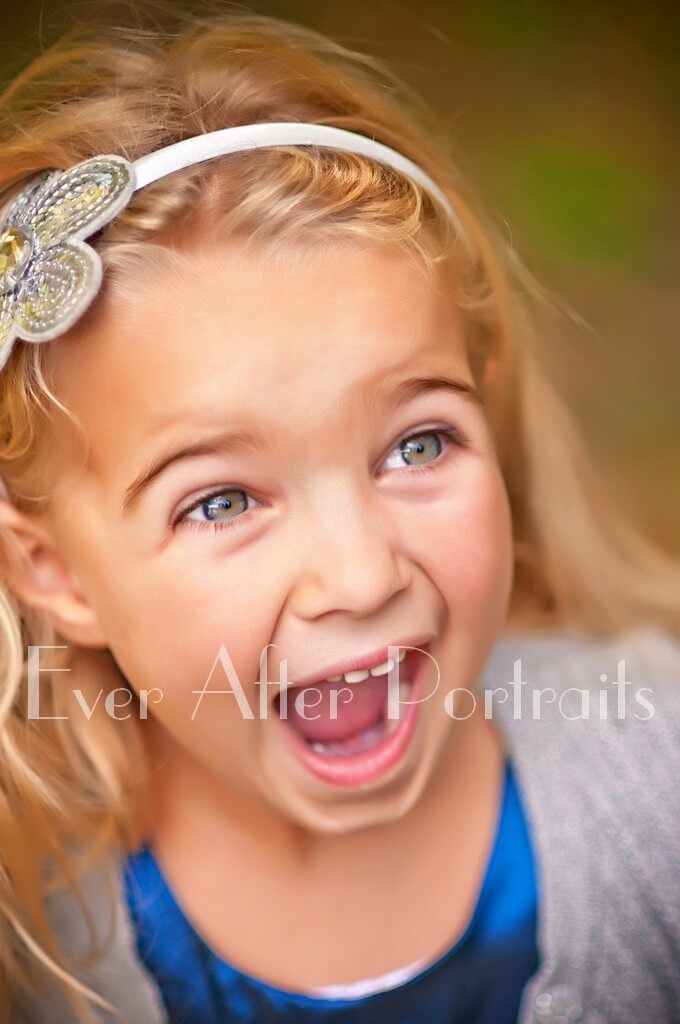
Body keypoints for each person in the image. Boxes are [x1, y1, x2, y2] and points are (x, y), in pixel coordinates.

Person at [0, 8, 678, 1024]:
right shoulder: (42, 928)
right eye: (220, 499)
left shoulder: (652, 778)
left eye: (417, 444)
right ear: (54, 571)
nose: (362, 575)